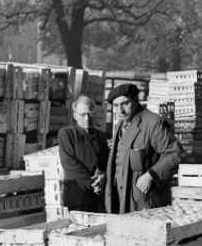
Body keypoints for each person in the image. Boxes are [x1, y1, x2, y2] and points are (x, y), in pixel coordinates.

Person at [105, 83, 180, 213]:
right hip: (121, 198)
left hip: (143, 200)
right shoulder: (120, 125)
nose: (120, 110)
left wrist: (152, 175)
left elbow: (174, 154)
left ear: (135, 100)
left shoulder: (153, 122)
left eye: (125, 104)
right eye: (116, 106)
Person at [57, 95, 108, 213]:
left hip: (98, 193)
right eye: (82, 114)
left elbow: (107, 162)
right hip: (77, 191)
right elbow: (69, 163)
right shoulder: (67, 134)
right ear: (75, 116)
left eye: (90, 114)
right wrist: (92, 183)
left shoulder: (100, 136)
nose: (87, 118)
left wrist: (103, 177)